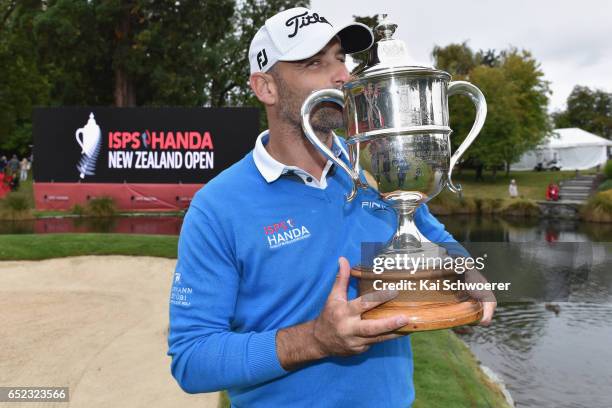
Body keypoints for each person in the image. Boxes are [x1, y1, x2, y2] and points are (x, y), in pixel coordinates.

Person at [167, 7, 495, 407]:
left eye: (341, 57)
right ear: (265, 87)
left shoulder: (378, 165)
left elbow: (429, 233)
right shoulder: (216, 208)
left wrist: (468, 270)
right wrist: (317, 339)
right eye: (314, 63)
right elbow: (192, 358)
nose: (341, 75)